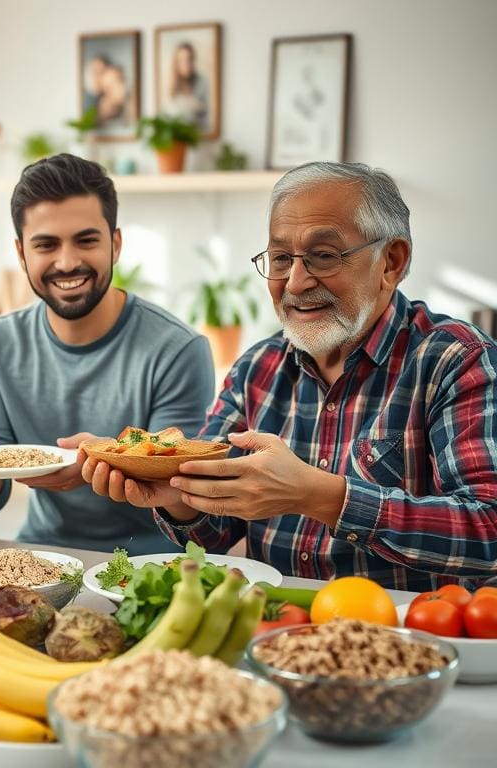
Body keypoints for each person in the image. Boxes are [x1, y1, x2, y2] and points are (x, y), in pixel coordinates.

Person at [83, 161, 497, 590]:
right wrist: (183, 500)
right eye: (281, 258)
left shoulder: (456, 360)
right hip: (273, 631)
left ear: (390, 262)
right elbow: (213, 536)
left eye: (323, 256)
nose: (296, 282)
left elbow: (489, 531)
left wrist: (320, 496)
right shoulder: (256, 369)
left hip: (407, 636)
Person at [0, 154, 215, 554]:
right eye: (46, 245)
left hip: (152, 560)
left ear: (115, 244)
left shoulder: (178, 349)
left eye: (86, 240)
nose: (67, 262)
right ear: (21, 253)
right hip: (42, 553)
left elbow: (188, 501)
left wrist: (114, 459)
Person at [166, 42, 209, 131]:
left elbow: (207, 111)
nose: (186, 64)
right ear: (176, 62)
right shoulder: (170, 85)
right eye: (182, 60)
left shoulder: (202, 81)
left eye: (189, 59)